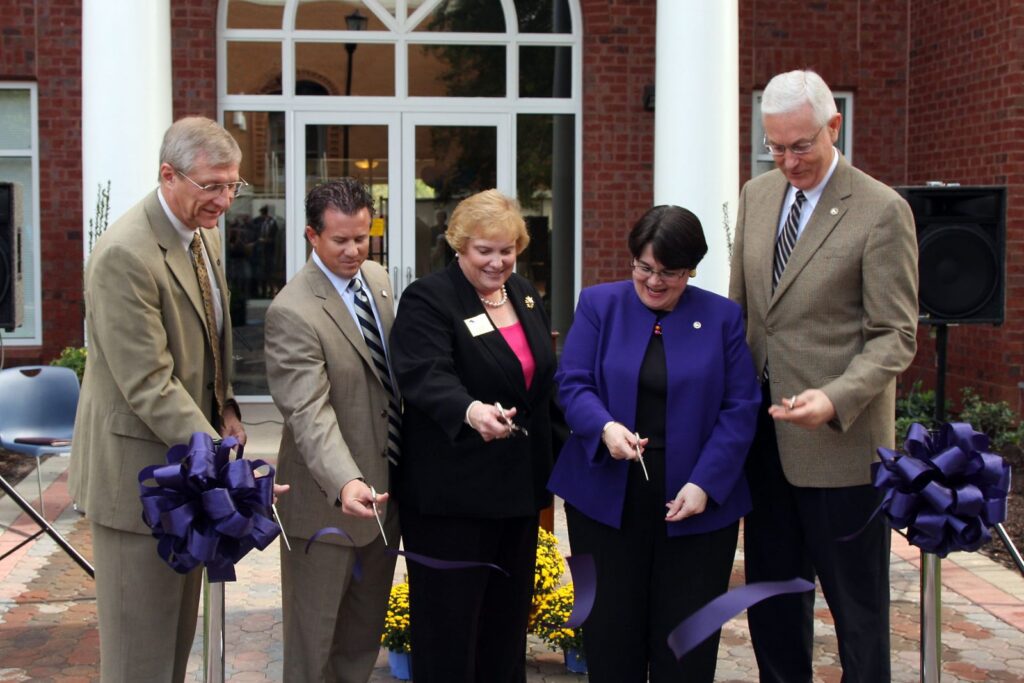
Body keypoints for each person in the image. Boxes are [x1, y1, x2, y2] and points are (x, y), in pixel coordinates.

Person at [729, 69, 919, 683]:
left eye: (800, 145)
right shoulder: (757, 197)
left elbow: (895, 335)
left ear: (834, 125)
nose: (787, 160)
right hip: (765, 444)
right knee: (775, 606)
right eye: (775, 146)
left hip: (841, 447)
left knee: (857, 613)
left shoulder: (882, 209)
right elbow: (744, 314)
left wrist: (834, 398)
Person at [69, 116, 257, 682]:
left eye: (233, 186)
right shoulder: (124, 255)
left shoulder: (202, 234)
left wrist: (225, 408)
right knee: (139, 661)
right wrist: (223, 462)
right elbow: (149, 382)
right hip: (139, 485)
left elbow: (211, 339)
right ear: (168, 175)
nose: (224, 200)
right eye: (213, 186)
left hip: (186, 473)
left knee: (173, 651)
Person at [548, 205, 761, 682]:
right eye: (644, 268)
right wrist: (604, 427)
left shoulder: (723, 316)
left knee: (687, 643)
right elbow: (573, 382)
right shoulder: (599, 305)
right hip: (605, 499)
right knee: (609, 633)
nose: (655, 282)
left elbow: (740, 406)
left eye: (671, 273)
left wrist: (706, 482)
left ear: (692, 270)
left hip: (695, 503)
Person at [389, 189, 557, 683]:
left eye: (507, 250)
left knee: (505, 627)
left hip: (518, 492)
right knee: (449, 630)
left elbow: (542, 382)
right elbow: (424, 373)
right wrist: (470, 410)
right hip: (452, 497)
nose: (497, 261)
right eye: (485, 250)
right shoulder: (429, 297)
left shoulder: (525, 294)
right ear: (459, 246)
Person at [264, 178, 399, 683]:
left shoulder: (379, 282)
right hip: (325, 505)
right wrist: (345, 481)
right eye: (340, 240)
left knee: (361, 639)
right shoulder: (292, 311)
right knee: (313, 645)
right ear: (311, 236)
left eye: (362, 237)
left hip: (384, 499)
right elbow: (309, 414)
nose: (353, 250)